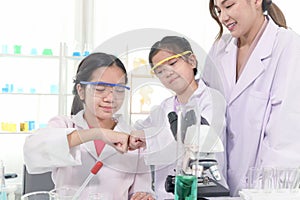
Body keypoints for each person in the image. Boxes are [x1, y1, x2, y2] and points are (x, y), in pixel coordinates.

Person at [23, 52, 154, 200]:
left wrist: (144, 196)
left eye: (119, 89)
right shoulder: (64, 124)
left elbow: (142, 189)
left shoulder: (133, 138)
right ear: (81, 90)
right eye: (100, 89)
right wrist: (97, 133)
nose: (110, 98)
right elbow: (32, 151)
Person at [204, 0, 300, 196]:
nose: (223, 17)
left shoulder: (287, 45)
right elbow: (205, 113)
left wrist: (263, 194)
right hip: (219, 186)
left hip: (265, 189)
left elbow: (285, 138)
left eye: (229, 6)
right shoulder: (219, 49)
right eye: (218, 10)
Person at [129, 36, 228, 199]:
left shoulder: (211, 99)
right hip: (167, 194)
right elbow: (137, 130)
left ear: (192, 61)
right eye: (160, 71)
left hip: (207, 190)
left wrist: (148, 137)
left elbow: (198, 138)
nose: (168, 72)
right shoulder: (163, 107)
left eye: (173, 63)